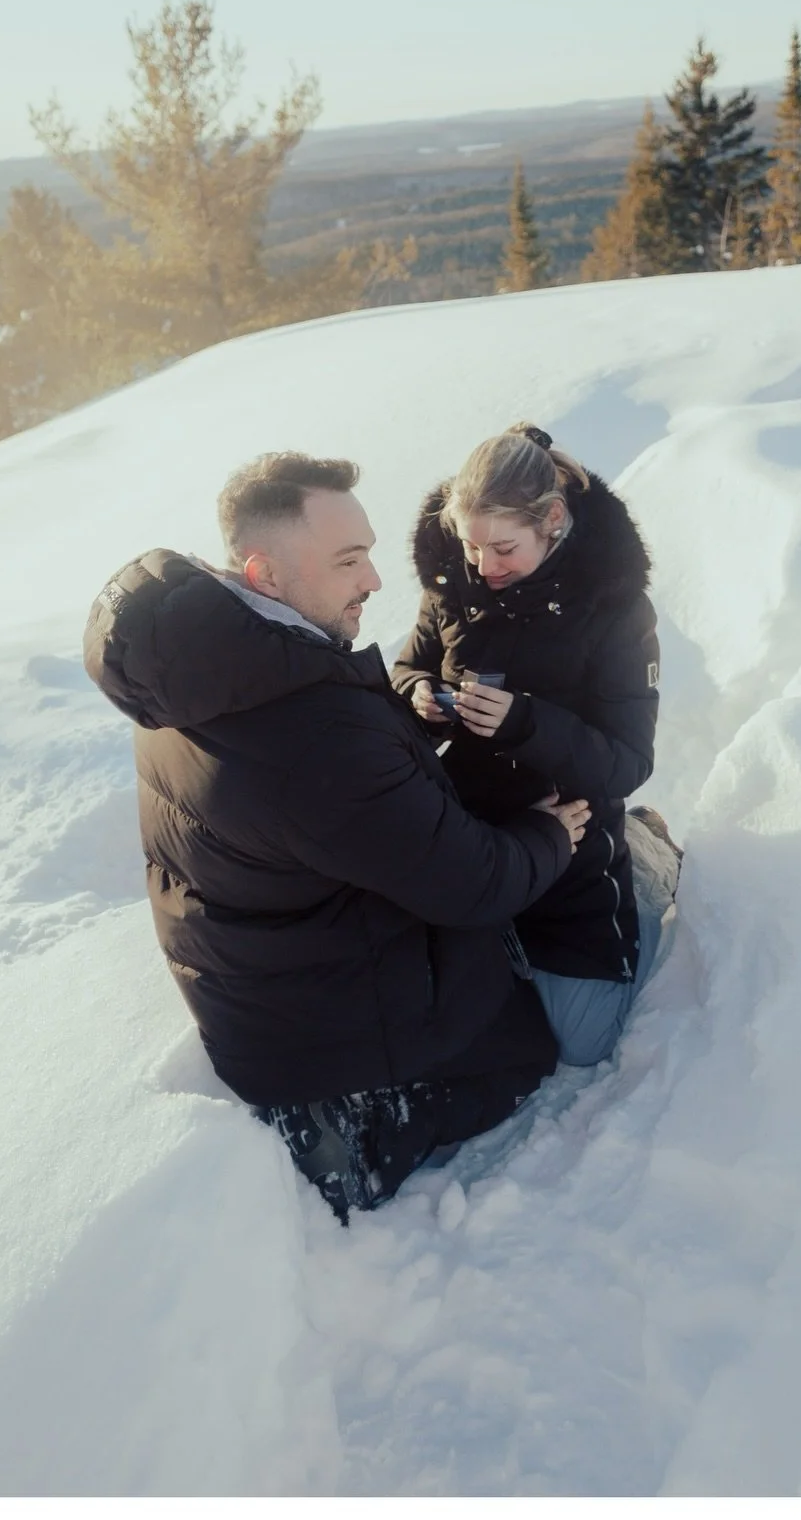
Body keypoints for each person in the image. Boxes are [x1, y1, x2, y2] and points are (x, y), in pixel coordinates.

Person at [82, 451, 590, 1223]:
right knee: (559, 981)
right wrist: (549, 833)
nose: (374, 581)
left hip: (273, 1002)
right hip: (348, 1076)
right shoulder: (309, 732)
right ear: (265, 574)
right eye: (349, 560)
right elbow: (476, 883)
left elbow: (349, 810)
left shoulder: (196, 667)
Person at [392, 423, 677, 1067]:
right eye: (470, 546)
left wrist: (525, 722)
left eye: (503, 549)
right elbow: (409, 667)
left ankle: (645, 856)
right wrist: (418, 696)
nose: (483, 567)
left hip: (573, 840)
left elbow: (629, 759)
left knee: (583, 1045)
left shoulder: (615, 610)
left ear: (552, 519)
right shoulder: (453, 586)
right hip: (474, 834)